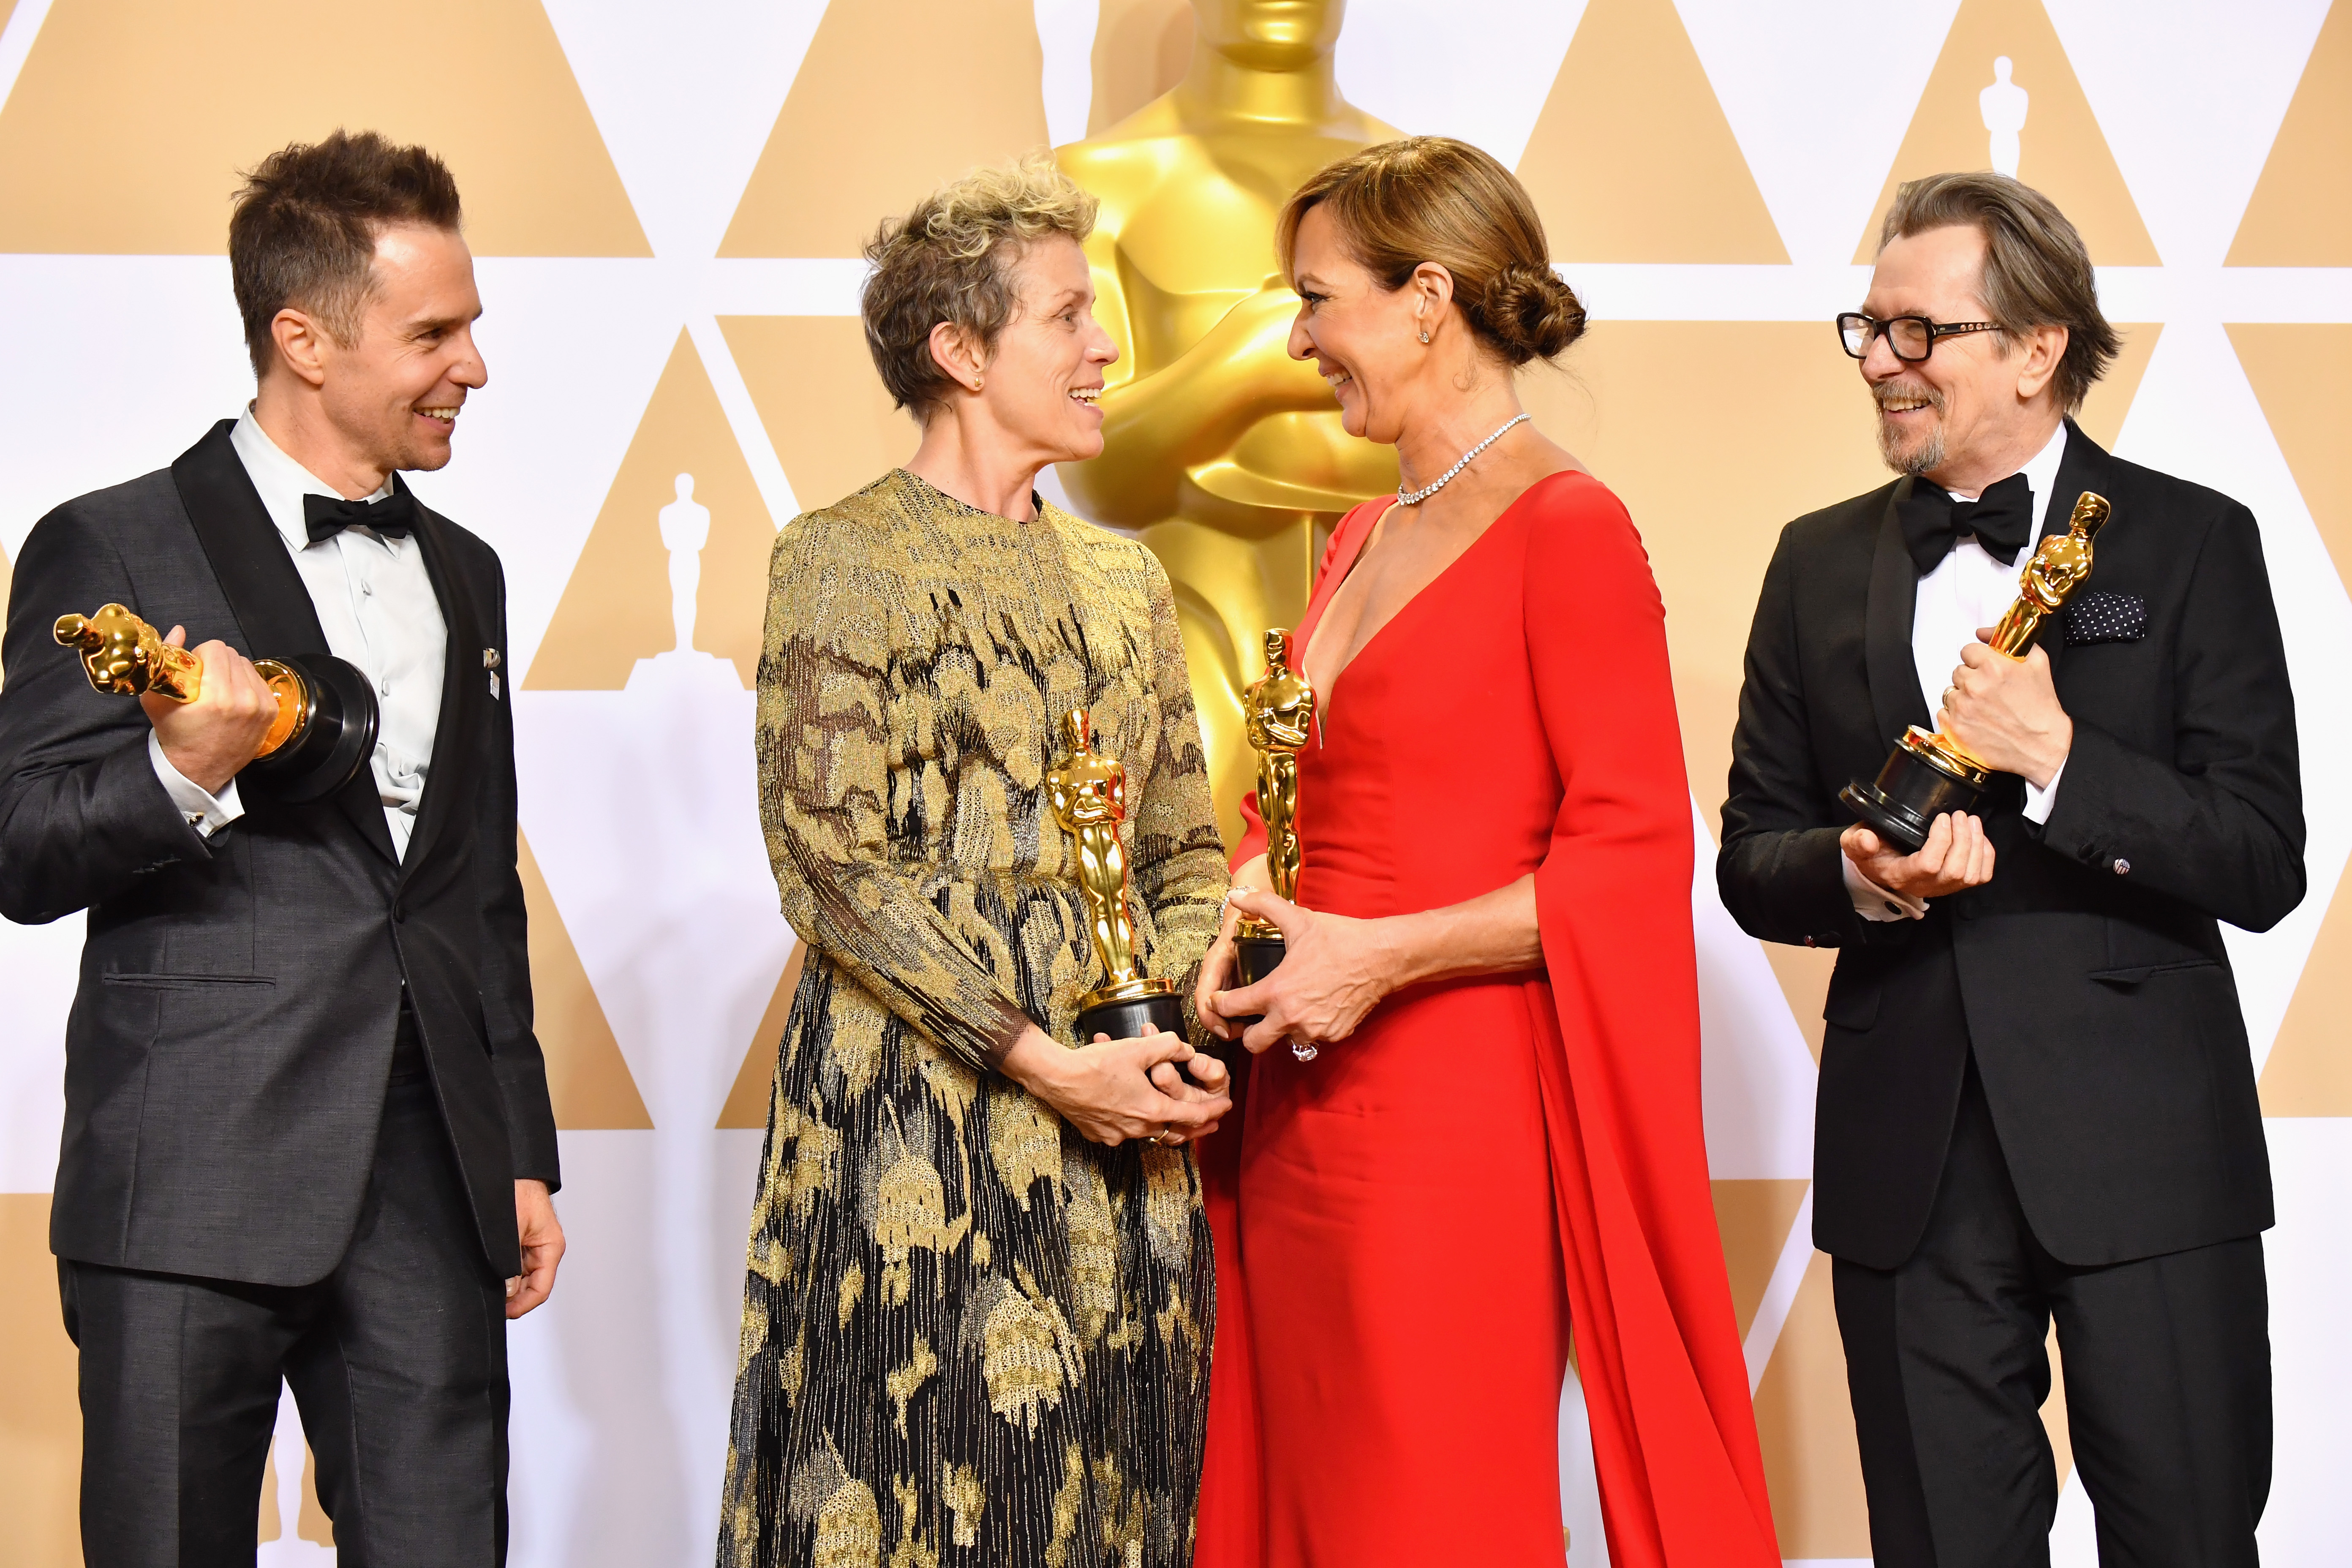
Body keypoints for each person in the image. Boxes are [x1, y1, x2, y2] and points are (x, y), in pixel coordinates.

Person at [1193, 136, 1779, 1568]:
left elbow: (1629, 865)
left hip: (1451, 1126)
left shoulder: (1566, 530)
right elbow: (1317, 801)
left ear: (1427, 297)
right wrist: (1255, 896)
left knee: (1427, 1510)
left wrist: (1379, 955)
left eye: (1319, 297)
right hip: (1301, 1112)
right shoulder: (1355, 534)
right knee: (1306, 1502)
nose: (1299, 336)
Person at [1719, 172, 2298, 1566]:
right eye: (1871, 327)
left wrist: (2057, 757)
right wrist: (1859, 875)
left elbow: (2262, 858)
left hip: (2147, 1153)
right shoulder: (1814, 562)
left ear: (2039, 350)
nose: (1882, 363)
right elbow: (1752, 855)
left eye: (1922, 333)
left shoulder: (2193, 541)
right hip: (1906, 1159)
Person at [0, 131, 562, 1564]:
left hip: (433, 1183)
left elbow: (470, 885)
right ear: (303, 339)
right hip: (188, 1175)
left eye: (473, 327)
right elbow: (23, 850)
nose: (474, 369)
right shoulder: (108, 545)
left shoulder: (468, 572)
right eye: (435, 334)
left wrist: (520, 1151)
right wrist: (180, 770)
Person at [718, 157, 1234, 1568]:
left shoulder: (1128, 583)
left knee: (1122, 1494)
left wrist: (1169, 1036)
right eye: (1068, 316)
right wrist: (1041, 1058)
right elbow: (829, 864)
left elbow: (1184, 847)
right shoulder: (841, 559)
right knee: (912, 1485)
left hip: (1124, 1133)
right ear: (959, 350)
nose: (1105, 347)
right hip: (918, 1112)